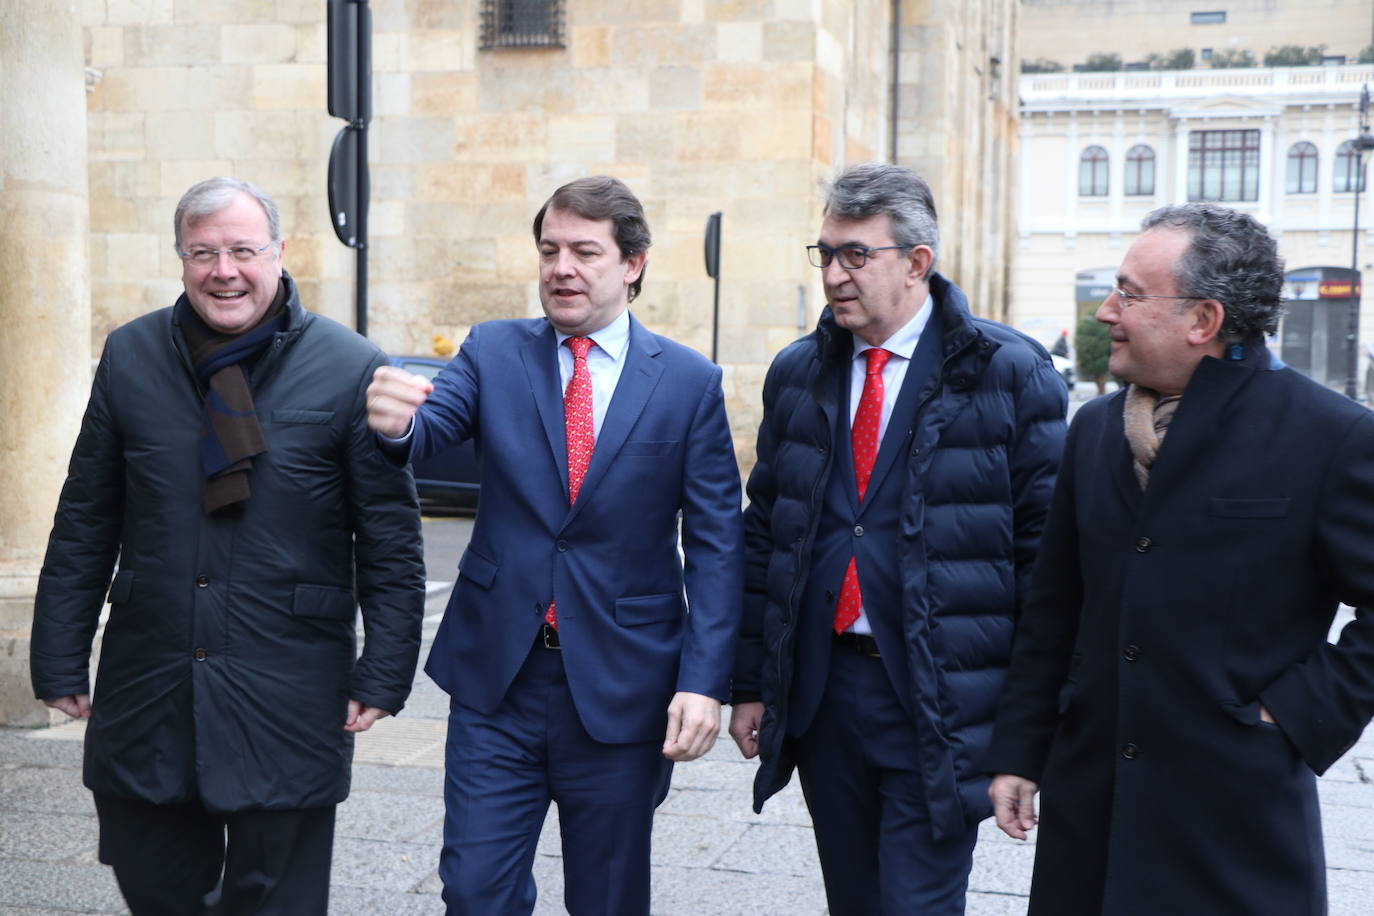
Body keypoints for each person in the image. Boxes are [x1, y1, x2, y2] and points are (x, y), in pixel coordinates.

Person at [29, 176, 426, 914]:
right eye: (203, 252)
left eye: (243, 250)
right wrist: (56, 654)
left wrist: (384, 671)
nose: (224, 270)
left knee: (276, 894)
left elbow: (389, 540)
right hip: (151, 678)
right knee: (151, 876)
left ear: (278, 253)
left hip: (289, 683)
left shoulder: (349, 366)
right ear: (181, 259)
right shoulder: (131, 355)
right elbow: (86, 516)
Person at [365, 175, 744, 915]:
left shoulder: (688, 383)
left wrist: (705, 682)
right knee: (475, 891)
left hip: (622, 685)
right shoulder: (495, 351)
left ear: (632, 264)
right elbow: (431, 429)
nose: (561, 267)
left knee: (605, 898)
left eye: (584, 251)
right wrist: (397, 426)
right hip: (497, 678)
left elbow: (717, 547)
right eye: (549, 250)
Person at [987, 202, 1374, 914]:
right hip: (1092, 810)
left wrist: (1296, 712)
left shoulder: (1330, 435)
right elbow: (1055, 605)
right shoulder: (1096, 429)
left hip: (1234, 821)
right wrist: (1019, 750)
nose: (1106, 312)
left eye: (1129, 294)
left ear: (1204, 320)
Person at [727, 162, 1066, 914]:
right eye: (825, 253)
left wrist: (1027, 732)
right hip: (826, 696)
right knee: (854, 899)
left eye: (857, 254)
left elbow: (1047, 562)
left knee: (917, 904)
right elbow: (766, 538)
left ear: (918, 263)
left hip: (940, 698)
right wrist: (750, 682)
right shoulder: (798, 373)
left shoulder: (1007, 374)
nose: (835, 275)